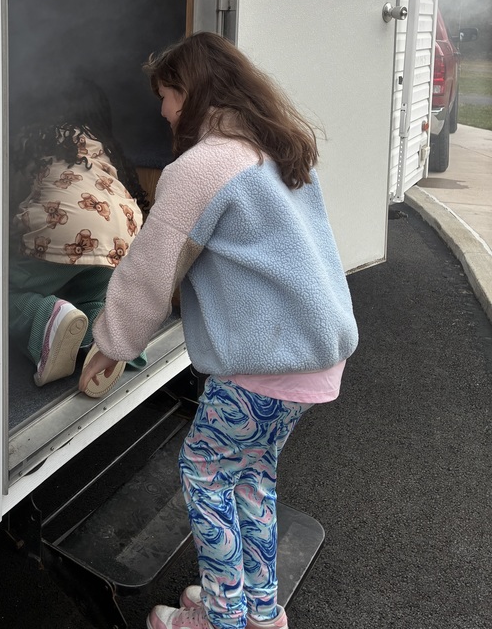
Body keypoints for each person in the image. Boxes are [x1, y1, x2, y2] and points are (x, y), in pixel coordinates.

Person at [79, 32, 358, 629]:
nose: (162, 110)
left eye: (168, 95)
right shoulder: (276, 149)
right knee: (252, 476)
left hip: (265, 361)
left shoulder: (202, 166)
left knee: (205, 472)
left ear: (195, 92)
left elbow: (153, 268)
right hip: (315, 357)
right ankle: (259, 612)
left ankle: (221, 619)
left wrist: (110, 343)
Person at [9, 75, 148, 396]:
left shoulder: (33, 138)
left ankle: (44, 320)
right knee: (86, 290)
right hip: (120, 235)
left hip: (62, 228)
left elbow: (9, 200)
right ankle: (101, 328)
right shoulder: (101, 144)